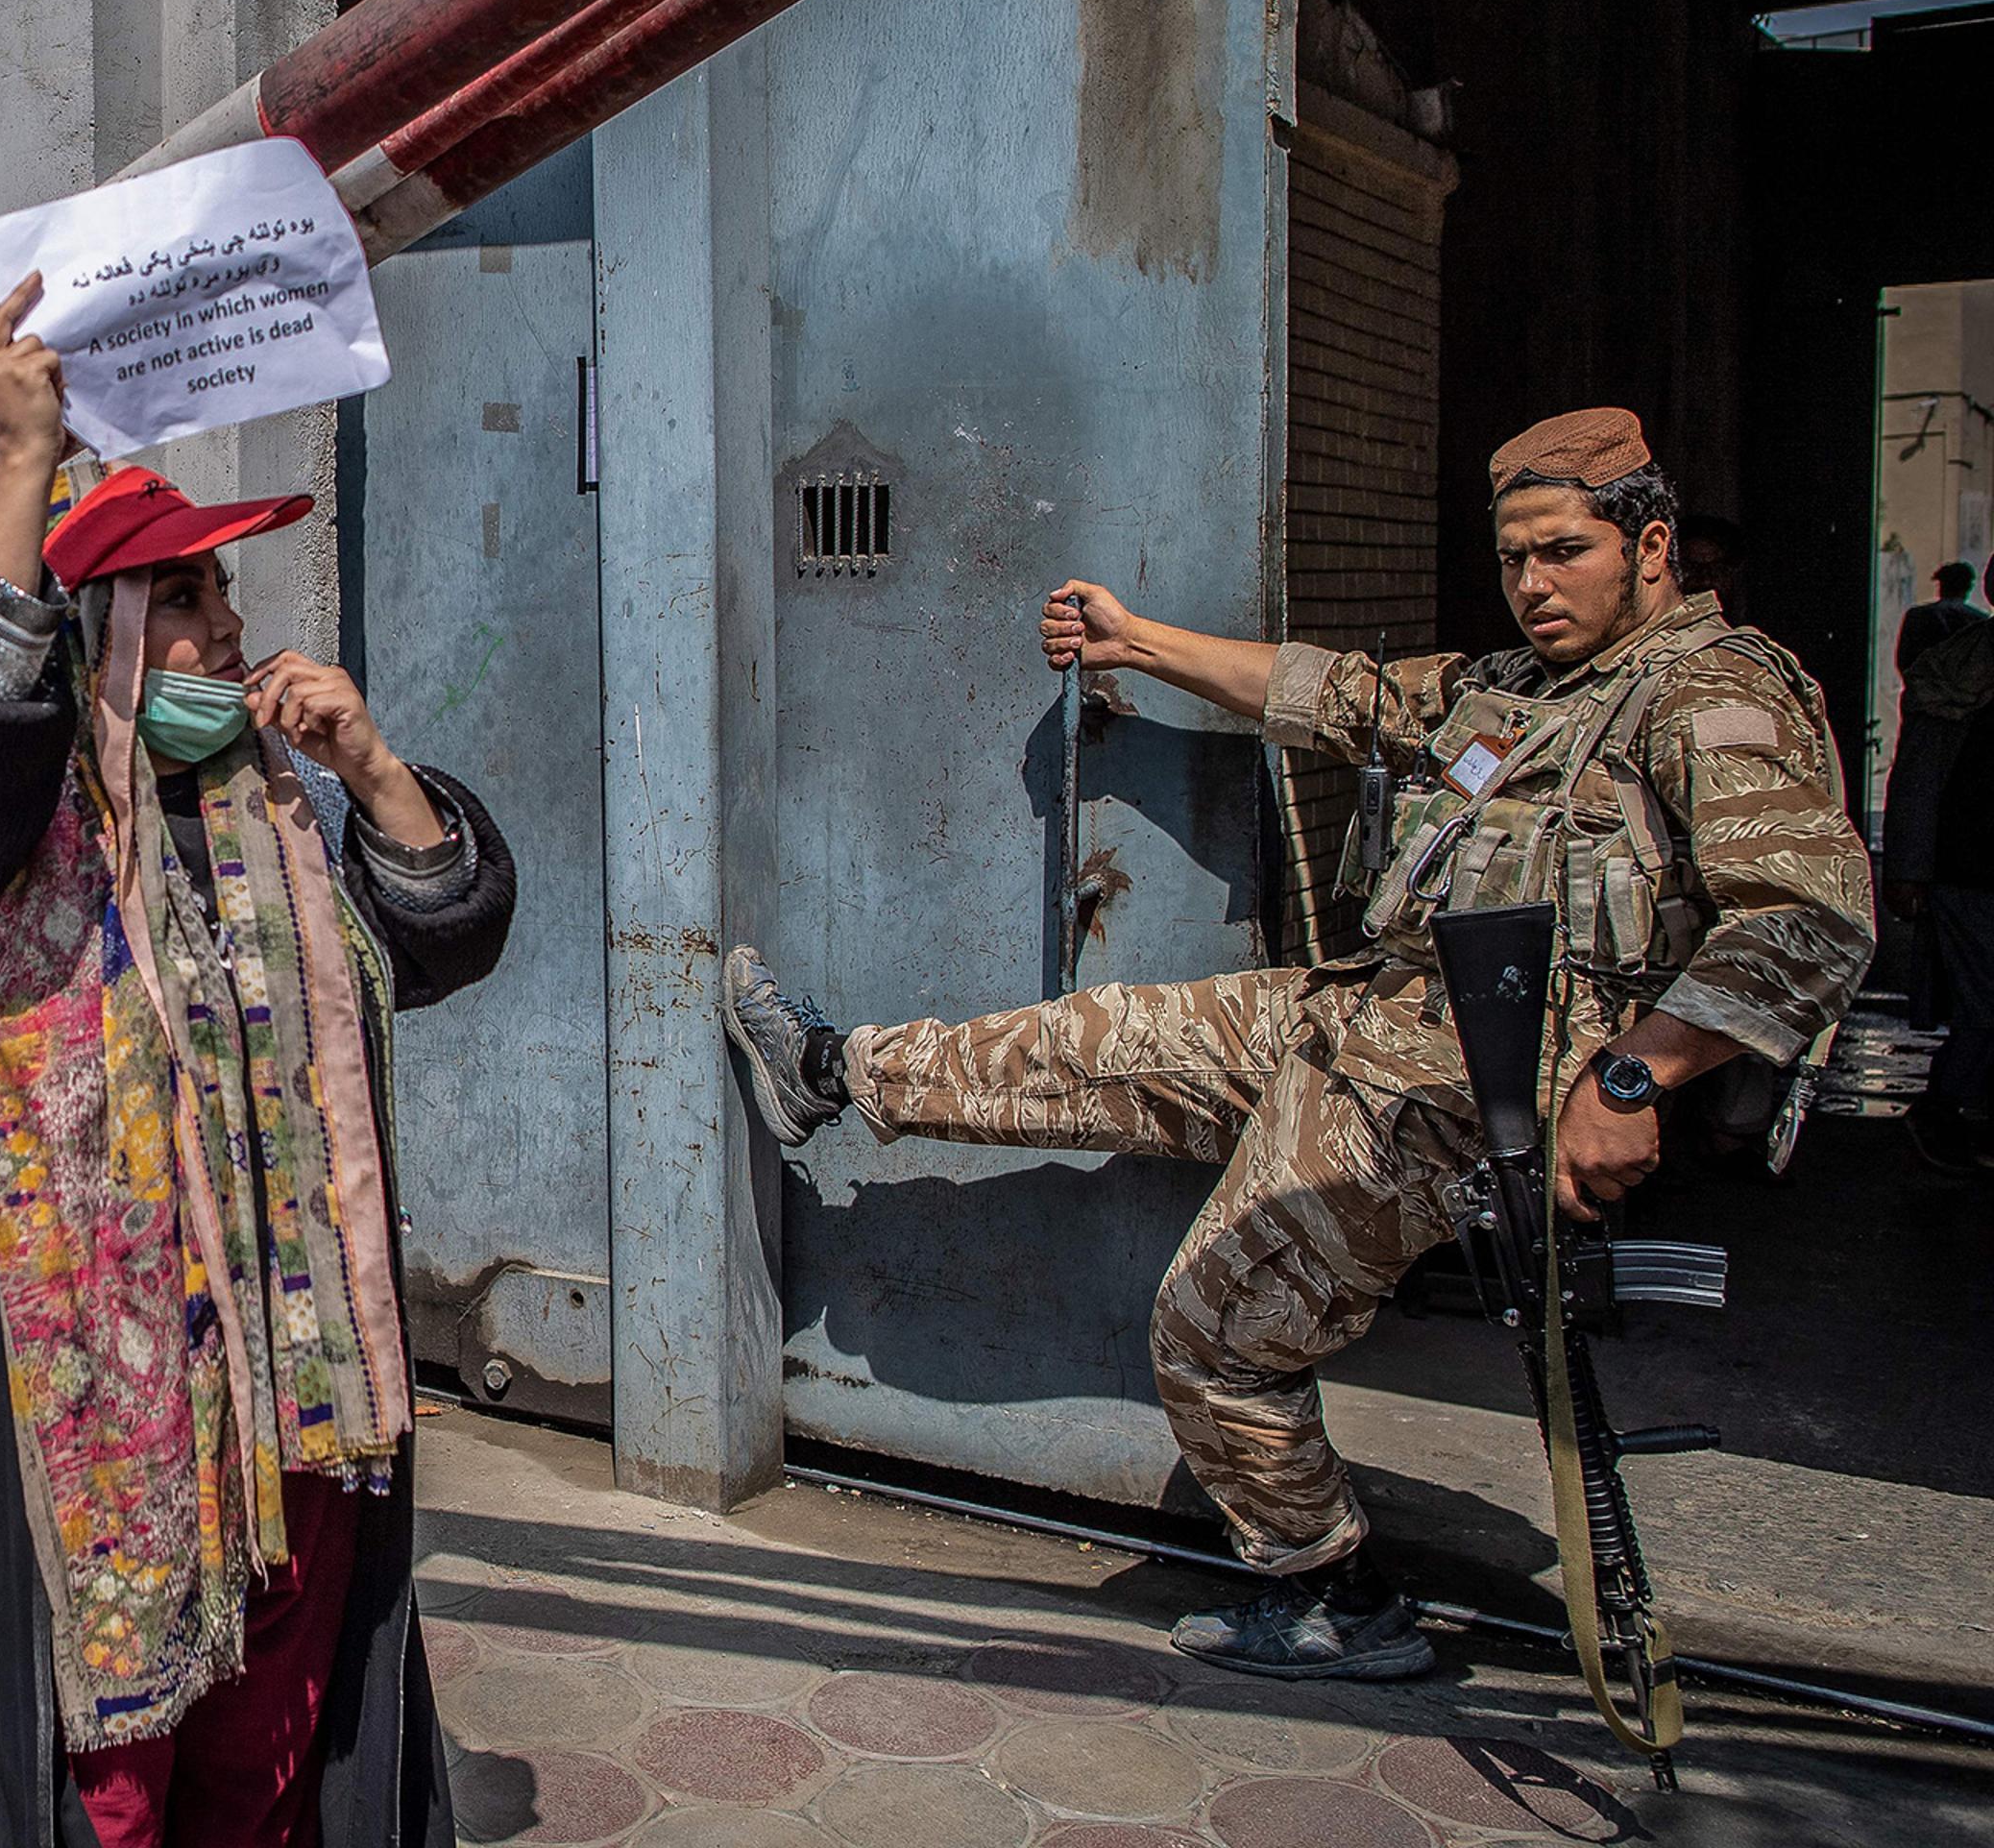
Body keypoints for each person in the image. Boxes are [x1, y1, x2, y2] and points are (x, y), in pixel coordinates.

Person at [723, 407, 1873, 1681]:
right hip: (1359, 1017)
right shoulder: (1521, 690)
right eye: (1515, 560)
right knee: (1091, 1044)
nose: (1534, 585)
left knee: (1212, 1330)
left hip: (1445, 1100)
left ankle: (1338, 1595)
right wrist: (1136, 643)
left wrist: (1628, 1077)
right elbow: (1341, 697)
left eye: (1563, 552)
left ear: (1651, 544)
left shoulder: (1709, 695)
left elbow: (1810, 923)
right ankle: (824, 1072)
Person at [0, 277, 516, 1848]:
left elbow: (441, 940)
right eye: (185, 605)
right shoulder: (17, 845)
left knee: (274, 1772)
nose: (226, 631)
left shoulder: (275, 817)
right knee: (112, 1802)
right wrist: (19, 466)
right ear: (99, 640)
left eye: (224, 598)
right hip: (96, 1429)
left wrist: (369, 767)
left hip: (298, 1410)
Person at [1885, 611, 1994, 1171]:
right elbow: (1919, 780)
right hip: (1971, 870)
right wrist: (1908, 868)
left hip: (1970, 868)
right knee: (1984, 1004)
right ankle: (1943, 1108)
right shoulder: (1961, 671)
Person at [1897, 559, 1985, 680]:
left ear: (1941, 585)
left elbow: (1904, 660)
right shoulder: (1978, 620)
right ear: (1968, 587)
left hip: (1922, 691)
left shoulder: (1917, 615)